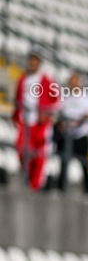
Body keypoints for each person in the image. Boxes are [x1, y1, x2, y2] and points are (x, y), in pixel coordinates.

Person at [12, 50, 59, 190]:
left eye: (35, 60)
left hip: (40, 124)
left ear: (39, 63)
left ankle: (35, 184)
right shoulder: (23, 78)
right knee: (21, 149)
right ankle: (27, 178)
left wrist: (46, 112)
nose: (32, 63)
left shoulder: (46, 79)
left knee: (39, 155)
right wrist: (15, 115)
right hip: (25, 121)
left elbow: (57, 100)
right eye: (31, 60)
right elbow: (18, 99)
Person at [54, 71, 88, 194]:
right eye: (70, 82)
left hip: (80, 135)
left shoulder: (85, 97)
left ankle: (87, 191)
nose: (72, 84)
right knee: (63, 161)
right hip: (68, 135)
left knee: (84, 164)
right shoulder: (66, 97)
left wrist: (76, 123)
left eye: (74, 81)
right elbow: (61, 112)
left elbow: (87, 114)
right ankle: (61, 188)